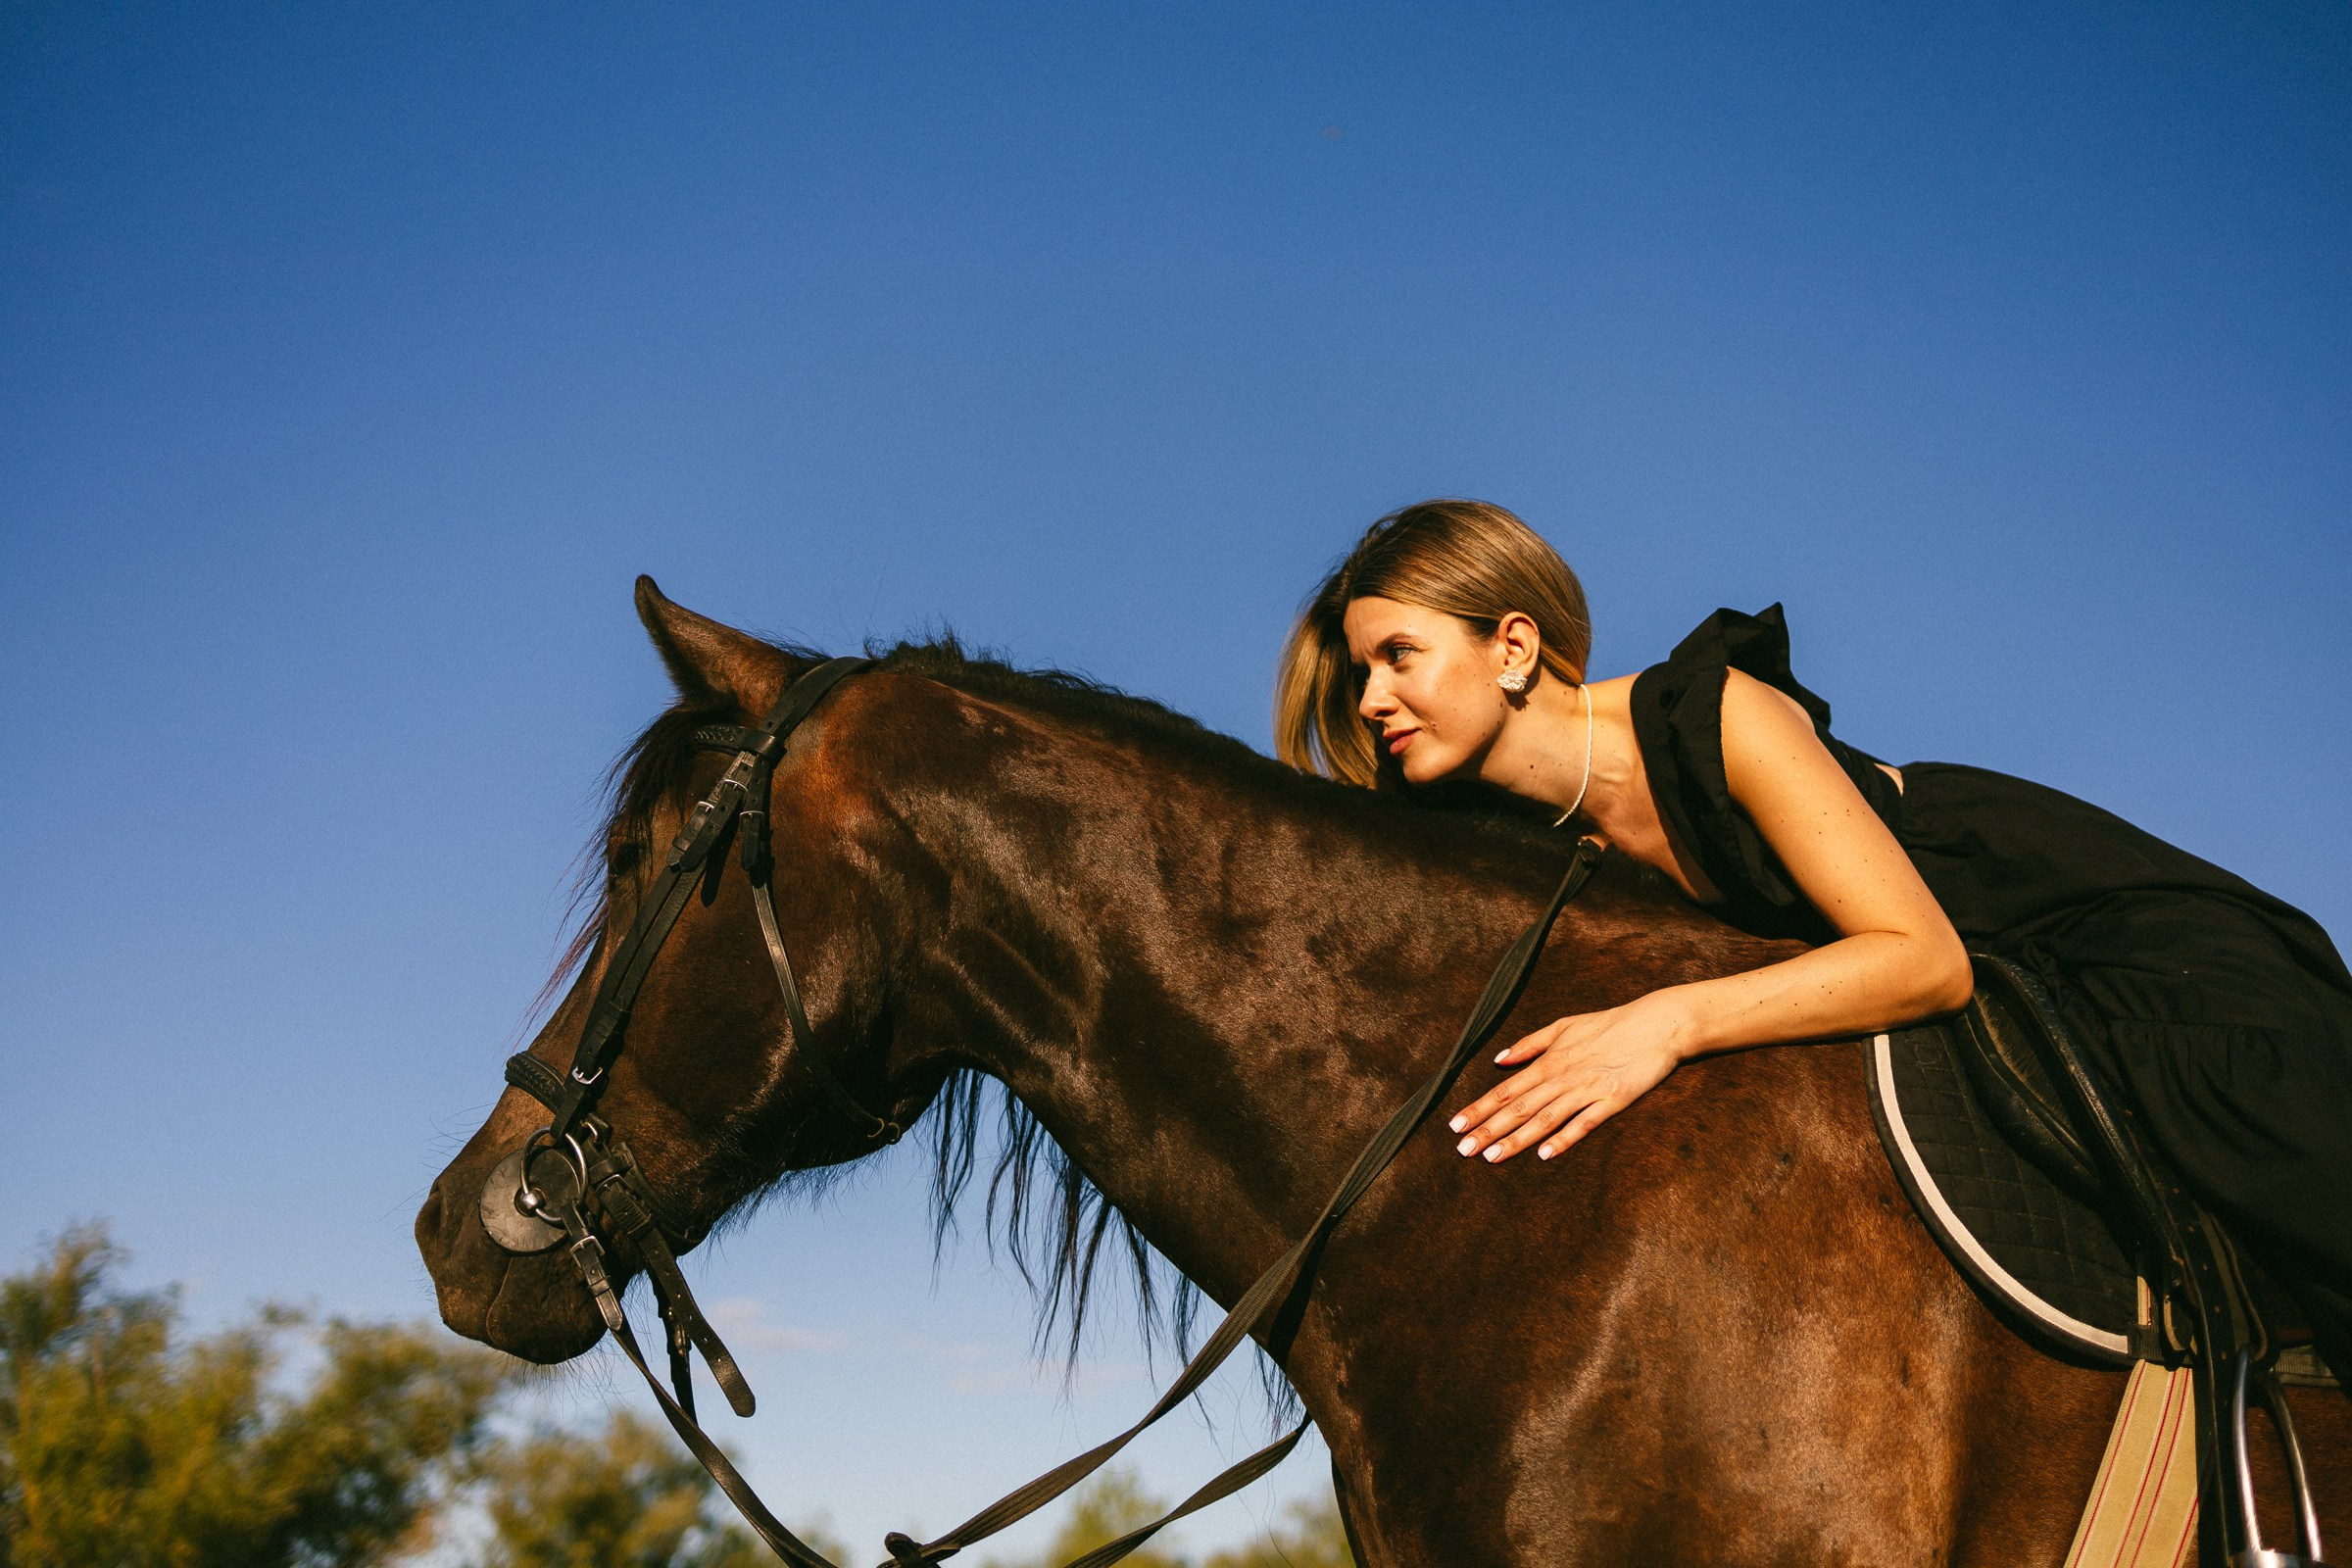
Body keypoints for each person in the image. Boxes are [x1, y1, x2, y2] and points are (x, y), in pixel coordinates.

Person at [1274, 498, 2352, 1373]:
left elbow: (1925, 961)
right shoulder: (1533, 842)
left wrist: (1666, 1021)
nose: (1371, 698)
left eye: (1397, 656)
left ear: (1512, 646)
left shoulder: (1721, 716)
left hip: (2118, 956)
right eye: (1363, 671)